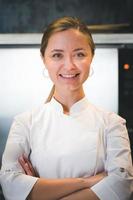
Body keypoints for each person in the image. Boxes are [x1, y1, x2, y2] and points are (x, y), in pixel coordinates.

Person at [0, 16, 133, 200]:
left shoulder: (113, 124)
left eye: (79, 54)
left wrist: (40, 191)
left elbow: (122, 187)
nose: (69, 65)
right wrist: (87, 182)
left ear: (92, 57)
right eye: (57, 55)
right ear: (43, 59)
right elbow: (10, 186)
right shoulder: (25, 123)